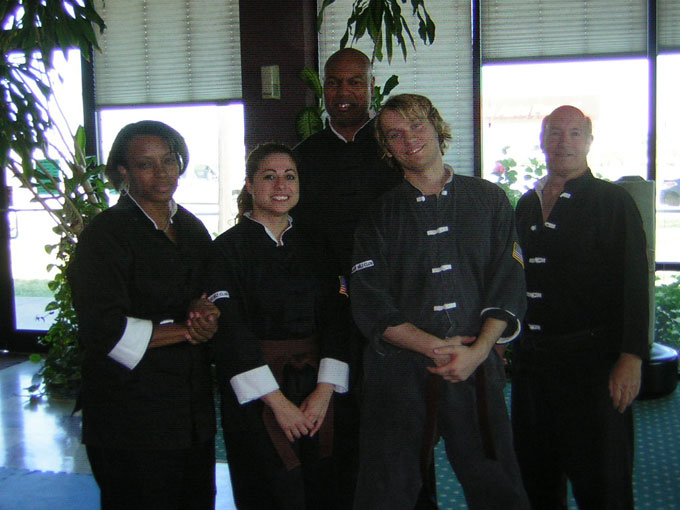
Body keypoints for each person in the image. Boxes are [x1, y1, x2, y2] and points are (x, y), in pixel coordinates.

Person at [350, 93, 530, 510]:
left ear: (436, 126)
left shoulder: (489, 200)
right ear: (386, 147)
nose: (409, 139)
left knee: (499, 486)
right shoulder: (378, 216)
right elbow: (370, 302)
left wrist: (478, 351)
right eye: (395, 134)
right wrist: (435, 347)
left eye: (416, 125)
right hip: (399, 375)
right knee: (385, 491)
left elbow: (508, 283)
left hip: (475, 368)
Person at [67, 121, 219, 510]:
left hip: (191, 411)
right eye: (146, 164)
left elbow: (208, 290)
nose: (162, 172)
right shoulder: (104, 235)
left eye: (169, 160)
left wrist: (205, 311)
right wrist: (188, 331)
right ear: (124, 171)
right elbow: (102, 329)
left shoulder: (191, 228)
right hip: (128, 415)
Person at [511, 105, 649, 510]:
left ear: (589, 141)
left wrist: (631, 356)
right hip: (533, 366)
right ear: (542, 139)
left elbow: (634, 282)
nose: (563, 143)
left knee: (603, 483)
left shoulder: (612, 201)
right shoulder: (526, 204)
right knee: (536, 478)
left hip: (594, 365)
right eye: (555, 133)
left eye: (574, 133)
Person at [207, 143, 350, 509]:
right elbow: (231, 330)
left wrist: (325, 390)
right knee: (271, 489)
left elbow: (338, 317)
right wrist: (277, 404)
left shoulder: (318, 243)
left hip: (317, 386)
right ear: (250, 185)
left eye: (290, 176)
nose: (281, 186)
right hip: (259, 392)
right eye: (269, 177)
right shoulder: (226, 250)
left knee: (325, 488)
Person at [292, 47, 402, 503]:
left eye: (355, 81)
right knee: (337, 419)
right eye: (334, 82)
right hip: (329, 311)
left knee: (399, 422)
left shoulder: (396, 148)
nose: (344, 91)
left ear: (372, 86)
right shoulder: (303, 157)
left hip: (394, 310)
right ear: (323, 88)